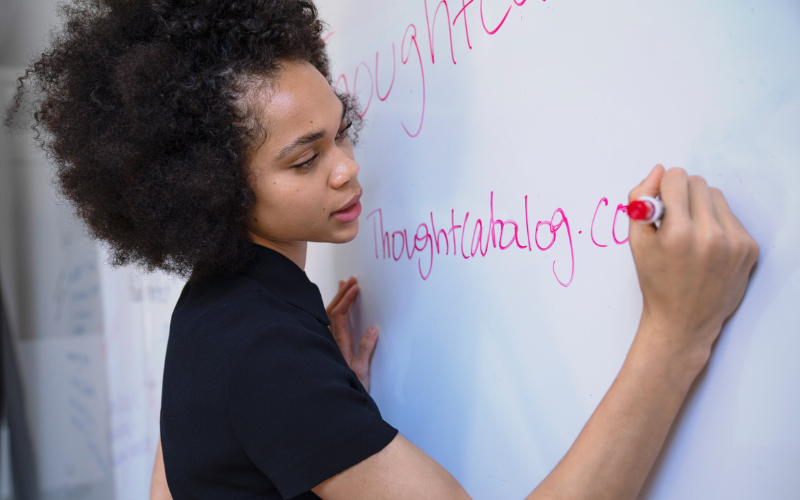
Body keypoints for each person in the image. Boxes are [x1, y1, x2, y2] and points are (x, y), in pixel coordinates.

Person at [7, 1, 758, 499]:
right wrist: (676, 333)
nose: (347, 168)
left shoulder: (219, 303)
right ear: (208, 188)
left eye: (343, 130)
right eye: (304, 160)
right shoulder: (260, 343)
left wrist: (314, 428)